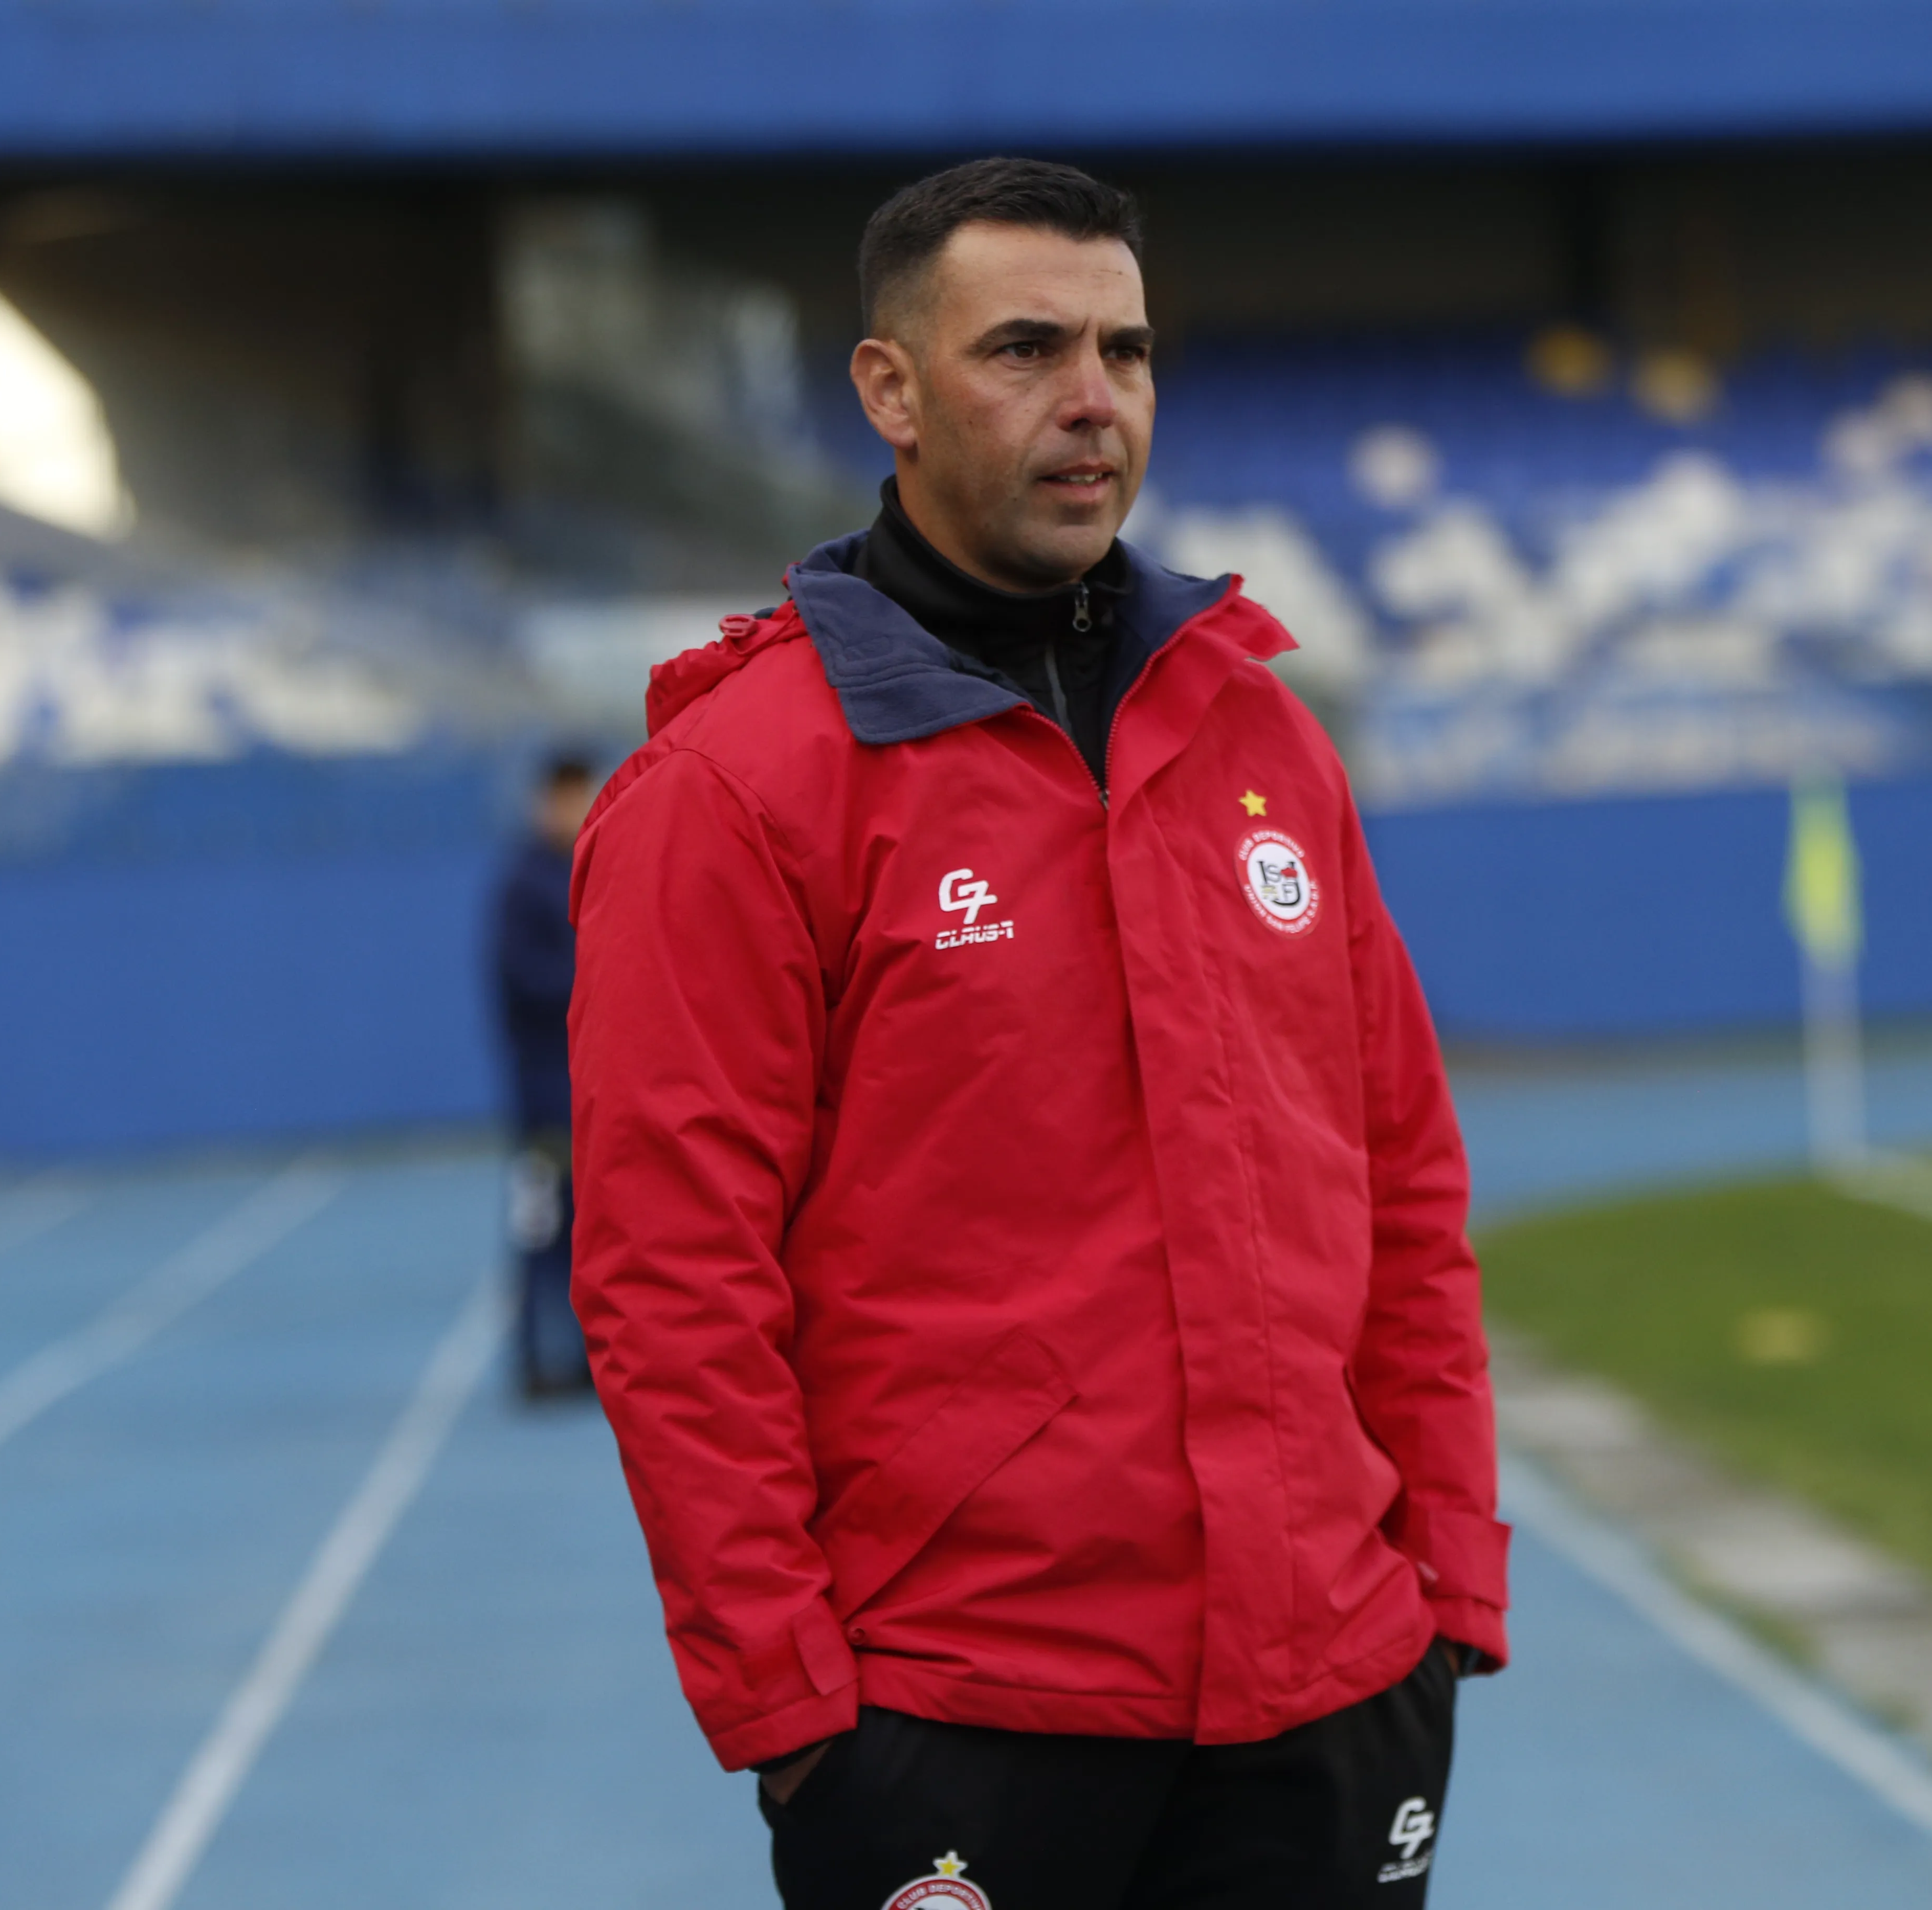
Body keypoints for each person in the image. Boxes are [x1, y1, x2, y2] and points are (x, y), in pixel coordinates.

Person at [569, 158, 1507, 1909]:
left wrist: (1445, 1587)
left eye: (1126, 351)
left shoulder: (1261, 732)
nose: (1092, 402)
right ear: (890, 389)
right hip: (959, 1712)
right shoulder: (734, 787)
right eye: (1024, 349)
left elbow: (1401, 1184)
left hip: (1333, 1680)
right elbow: (672, 1277)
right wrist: (792, 1708)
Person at [493, 751, 597, 1396]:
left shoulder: (594, 865)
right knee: (538, 1228)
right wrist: (599, 979)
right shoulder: (523, 884)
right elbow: (523, 981)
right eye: (567, 799)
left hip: (593, 1090)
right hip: (543, 1095)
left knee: (596, 1229)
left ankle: (590, 1357)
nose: (577, 811)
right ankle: (533, 1356)